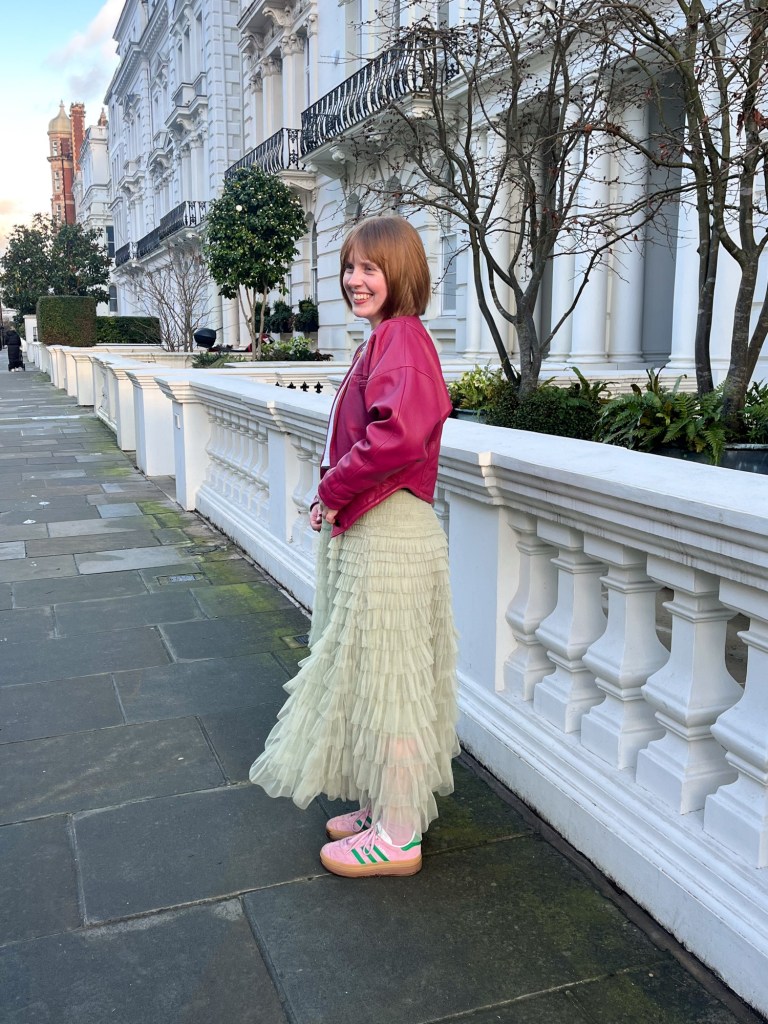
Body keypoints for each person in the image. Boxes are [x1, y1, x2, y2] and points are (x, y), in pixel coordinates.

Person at [249, 215, 459, 878]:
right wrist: (335, 495)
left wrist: (333, 488)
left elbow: (395, 440)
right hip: (381, 525)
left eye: (370, 267)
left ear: (401, 272)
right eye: (350, 267)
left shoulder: (400, 339)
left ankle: (397, 835)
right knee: (376, 671)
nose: (354, 280)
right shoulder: (387, 340)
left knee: (391, 677)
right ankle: (386, 807)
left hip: (393, 533)